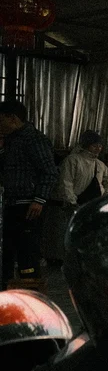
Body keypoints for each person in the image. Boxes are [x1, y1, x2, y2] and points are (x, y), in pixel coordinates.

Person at [0, 100, 58, 284]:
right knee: (6, 255)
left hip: (29, 206)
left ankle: (31, 299)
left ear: (13, 118)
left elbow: (49, 171)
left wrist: (39, 200)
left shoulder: (34, 139)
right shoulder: (10, 140)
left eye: (1, 120)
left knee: (28, 255)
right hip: (11, 204)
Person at [45, 129, 108, 265]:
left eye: (100, 145)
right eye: (95, 145)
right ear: (86, 145)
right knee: (62, 237)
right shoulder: (72, 160)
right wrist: (71, 201)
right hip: (68, 207)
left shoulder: (99, 164)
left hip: (87, 205)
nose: (98, 148)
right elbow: (66, 182)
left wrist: (105, 198)